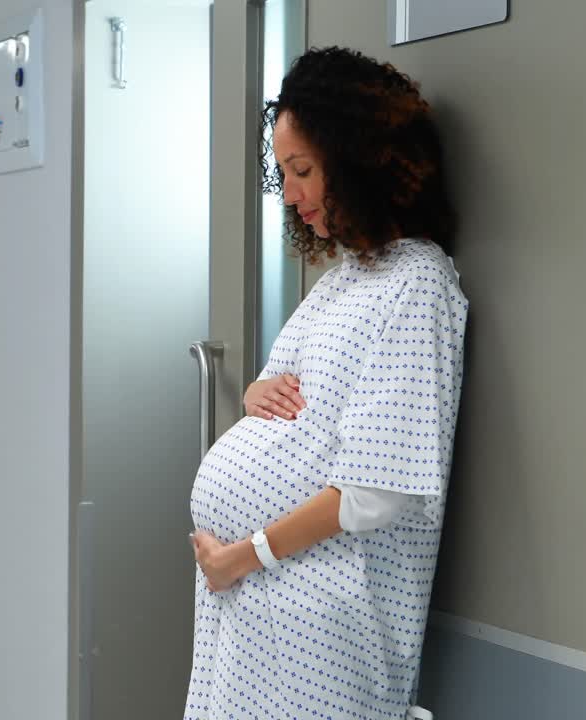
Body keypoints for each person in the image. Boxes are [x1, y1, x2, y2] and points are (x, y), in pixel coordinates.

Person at [184, 46, 467, 719]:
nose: (291, 195)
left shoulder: (417, 286)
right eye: (283, 172)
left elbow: (375, 491)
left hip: (318, 632)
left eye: (303, 170)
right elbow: (279, 391)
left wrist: (244, 556)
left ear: (360, 160)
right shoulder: (344, 281)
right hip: (252, 606)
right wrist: (253, 396)